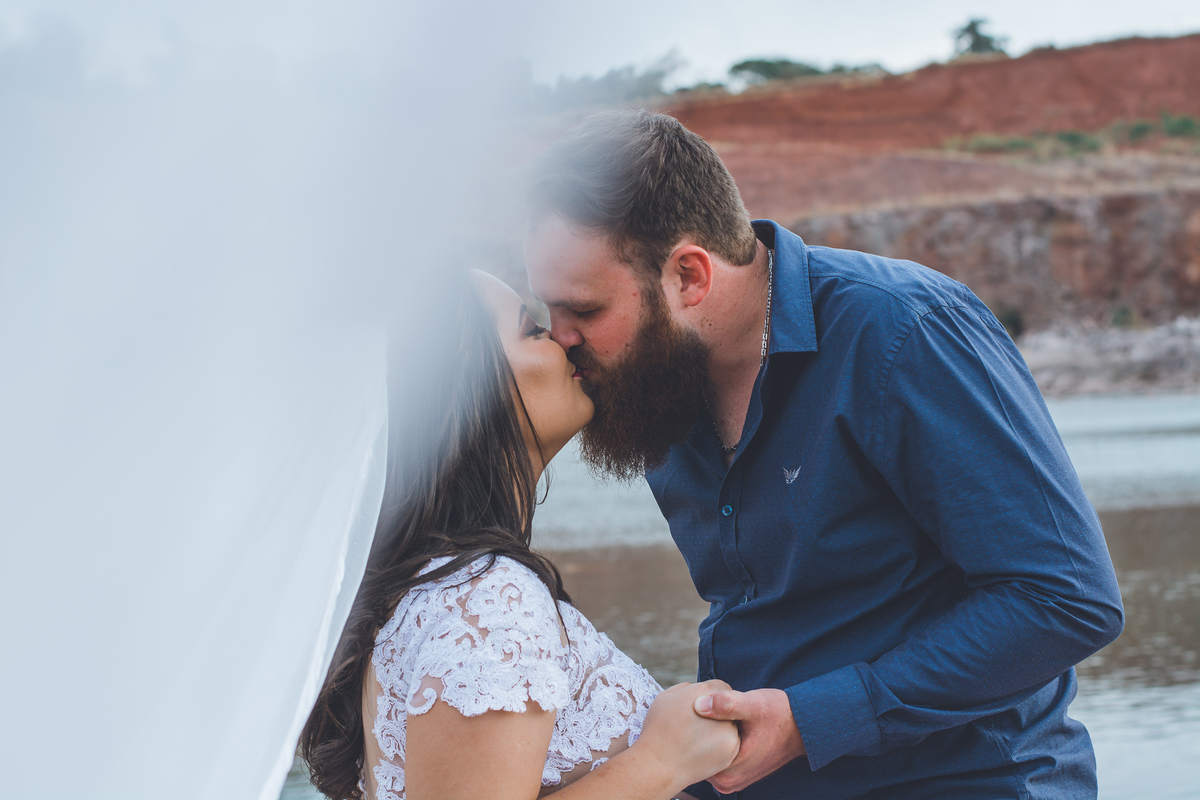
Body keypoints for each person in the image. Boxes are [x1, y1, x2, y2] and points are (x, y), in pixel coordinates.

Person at [522, 109, 1125, 799]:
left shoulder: (902, 332)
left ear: (690, 276)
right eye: (550, 310)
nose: (558, 338)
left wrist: (810, 721)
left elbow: (1066, 598)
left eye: (585, 311)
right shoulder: (655, 380)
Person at [300, 270, 740, 800]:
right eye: (532, 330)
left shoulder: (423, 591)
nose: (562, 341)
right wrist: (663, 761)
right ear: (469, 386)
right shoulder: (485, 602)